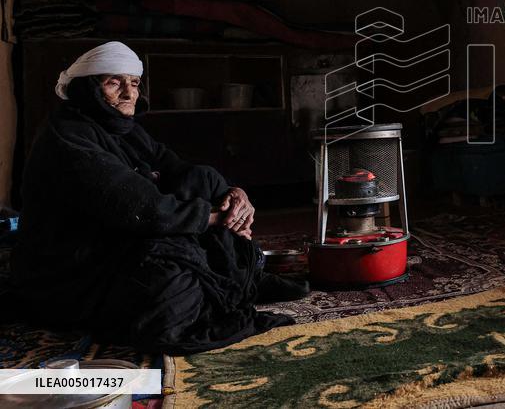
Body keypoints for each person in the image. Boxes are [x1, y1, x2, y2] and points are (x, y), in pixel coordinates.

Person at [12, 41, 308, 354]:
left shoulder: (123, 129)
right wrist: (218, 219)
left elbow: (178, 169)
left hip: (117, 240)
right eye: (114, 83)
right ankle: (228, 284)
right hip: (75, 267)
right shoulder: (68, 137)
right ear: (88, 90)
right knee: (165, 279)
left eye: (134, 83)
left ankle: (242, 281)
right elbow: (142, 208)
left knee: (203, 179)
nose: (129, 94)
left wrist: (235, 195)